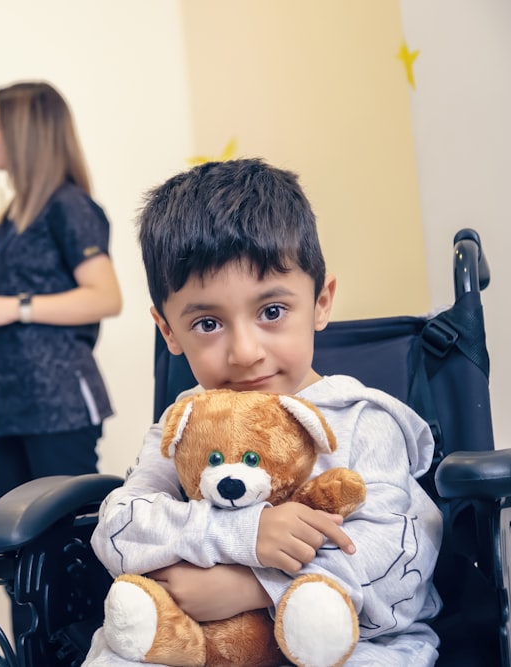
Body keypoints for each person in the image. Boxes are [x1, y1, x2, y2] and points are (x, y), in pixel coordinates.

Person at [83, 158, 443, 665]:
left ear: (321, 302)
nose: (245, 351)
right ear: (169, 332)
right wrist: (243, 534)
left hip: (357, 641)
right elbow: (118, 531)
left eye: (271, 312)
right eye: (208, 323)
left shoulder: (364, 420)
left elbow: (398, 565)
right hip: (203, 641)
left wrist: (253, 585)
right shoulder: (183, 423)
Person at [0, 81, 122, 502]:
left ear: (25, 133)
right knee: (14, 547)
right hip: (13, 409)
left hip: (58, 407)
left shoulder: (69, 205)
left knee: (67, 551)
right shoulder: (14, 216)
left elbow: (106, 296)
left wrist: (12, 307)